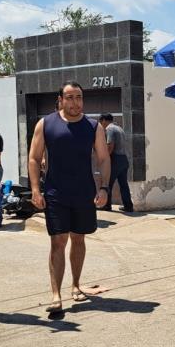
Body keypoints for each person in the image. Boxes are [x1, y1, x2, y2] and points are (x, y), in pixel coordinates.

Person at [28, 81, 111, 317]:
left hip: (84, 193)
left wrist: (104, 188)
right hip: (55, 193)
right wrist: (35, 189)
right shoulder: (46, 124)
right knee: (58, 242)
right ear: (60, 100)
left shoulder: (93, 127)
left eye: (79, 97)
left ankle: (75, 284)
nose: (75, 102)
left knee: (79, 239)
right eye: (70, 97)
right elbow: (34, 158)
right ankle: (56, 296)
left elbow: (104, 159)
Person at [98, 113, 135, 212]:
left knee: (107, 183)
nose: (101, 125)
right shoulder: (119, 128)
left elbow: (110, 146)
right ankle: (128, 206)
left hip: (115, 159)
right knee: (123, 184)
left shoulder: (109, 129)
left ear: (104, 121)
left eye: (101, 123)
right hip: (123, 159)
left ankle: (106, 205)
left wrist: (104, 158)